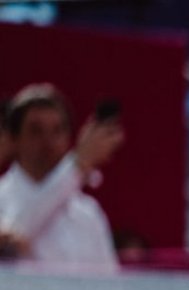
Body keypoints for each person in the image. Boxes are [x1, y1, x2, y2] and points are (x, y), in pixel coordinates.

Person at [0, 83, 123, 269]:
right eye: (36, 130)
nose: (48, 142)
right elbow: (14, 240)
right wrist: (78, 165)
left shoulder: (88, 213)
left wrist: (77, 167)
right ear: (13, 139)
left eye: (57, 131)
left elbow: (109, 282)